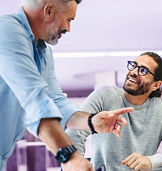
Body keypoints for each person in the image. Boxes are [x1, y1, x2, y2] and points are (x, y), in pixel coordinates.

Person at [0, 0, 134, 170]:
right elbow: (35, 100)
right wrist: (70, 157)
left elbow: (56, 101)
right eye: (69, 20)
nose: (68, 29)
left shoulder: (43, 52)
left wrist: (91, 121)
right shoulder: (7, 30)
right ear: (48, 11)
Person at [66, 52, 162, 170]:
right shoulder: (105, 96)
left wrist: (151, 161)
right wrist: (76, 165)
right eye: (134, 66)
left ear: (156, 85)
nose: (133, 72)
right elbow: (74, 132)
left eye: (143, 71)